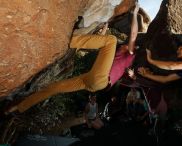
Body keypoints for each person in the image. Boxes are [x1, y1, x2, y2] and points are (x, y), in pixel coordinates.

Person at [4, 3, 140, 114]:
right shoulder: (121, 56)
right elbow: (98, 45)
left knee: (111, 40)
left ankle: (70, 40)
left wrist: (135, 14)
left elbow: (133, 35)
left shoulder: (131, 55)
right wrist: (104, 26)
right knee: (55, 87)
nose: (127, 45)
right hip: (93, 81)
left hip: (100, 80)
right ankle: (20, 107)